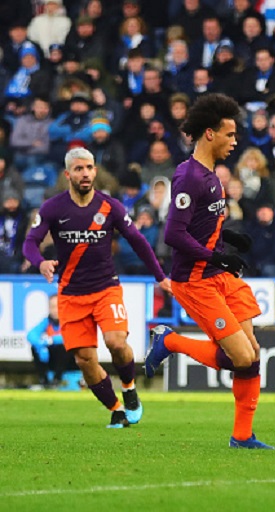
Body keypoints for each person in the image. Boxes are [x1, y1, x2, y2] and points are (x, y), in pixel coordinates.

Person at [143, 93, 274, 450]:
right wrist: (218, 257)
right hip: (195, 281)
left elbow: (199, 224)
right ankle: (168, 340)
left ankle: (243, 436)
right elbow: (173, 234)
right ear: (210, 134)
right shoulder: (188, 177)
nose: (235, 141)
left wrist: (227, 237)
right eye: (229, 135)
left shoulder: (211, 175)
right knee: (242, 357)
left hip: (216, 276)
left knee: (251, 354)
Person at [22, 147, 171, 428]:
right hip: (71, 293)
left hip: (106, 289)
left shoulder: (109, 206)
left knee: (116, 342)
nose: (86, 173)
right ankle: (115, 410)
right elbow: (30, 242)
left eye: (89, 167)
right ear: (68, 174)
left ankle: (128, 388)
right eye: (79, 169)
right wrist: (39, 262)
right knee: (85, 359)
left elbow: (138, 240)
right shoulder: (53, 208)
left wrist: (159, 276)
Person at [26, 294, 80, 389]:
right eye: (52, 307)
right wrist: (41, 346)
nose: (55, 310)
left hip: (70, 361)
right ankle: (44, 381)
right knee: (35, 348)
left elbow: (70, 337)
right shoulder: (47, 322)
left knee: (63, 347)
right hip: (53, 359)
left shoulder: (70, 321)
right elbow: (31, 335)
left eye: (57, 307)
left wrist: (50, 340)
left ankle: (57, 379)